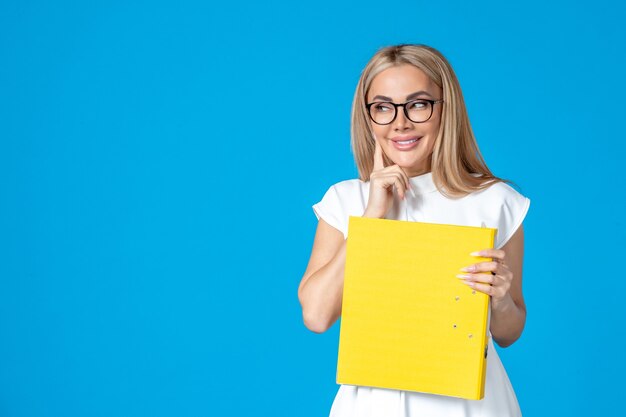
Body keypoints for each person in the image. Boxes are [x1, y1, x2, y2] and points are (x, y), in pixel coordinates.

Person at [297, 44, 531, 417]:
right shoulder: (346, 200)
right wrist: (372, 218)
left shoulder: (497, 201)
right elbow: (317, 315)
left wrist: (501, 299)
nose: (399, 123)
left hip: (471, 404)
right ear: (368, 117)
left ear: (445, 109)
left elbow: (509, 331)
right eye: (383, 108)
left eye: (418, 104)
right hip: (373, 403)